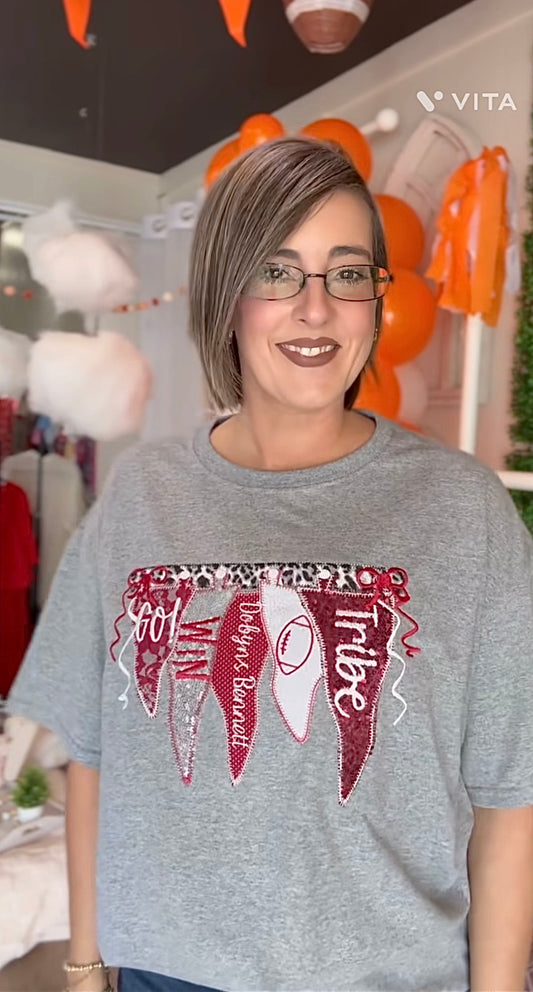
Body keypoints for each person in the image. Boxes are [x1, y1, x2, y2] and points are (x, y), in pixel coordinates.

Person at [7, 137, 533, 992]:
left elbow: (509, 796)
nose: (315, 309)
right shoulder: (141, 495)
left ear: (375, 299)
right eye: (276, 272)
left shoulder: (463, 511)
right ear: (225, 292)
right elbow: (93, 752)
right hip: (165, 975)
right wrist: (85, 963)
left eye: (347, 273)